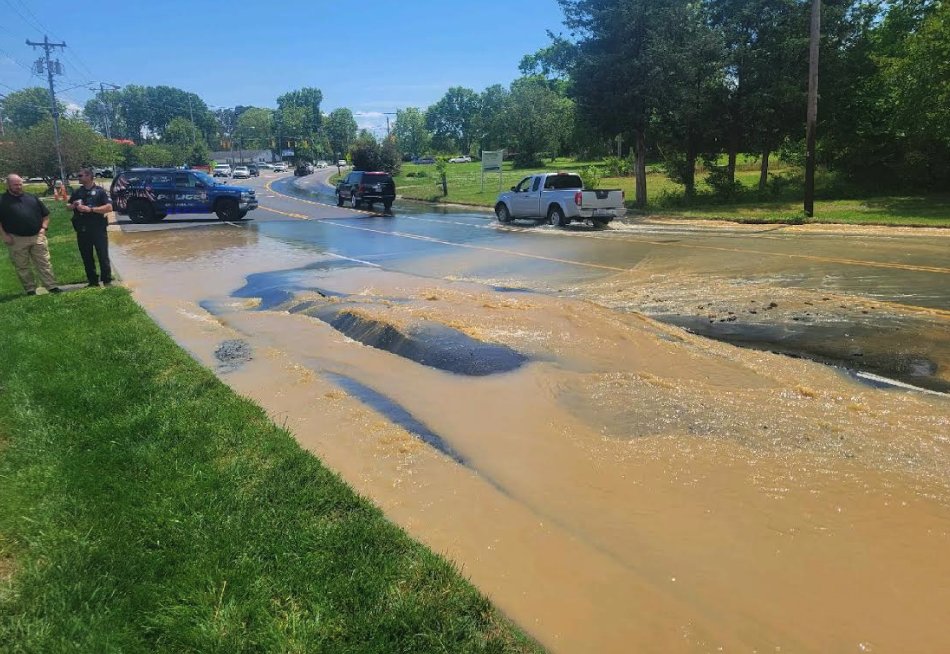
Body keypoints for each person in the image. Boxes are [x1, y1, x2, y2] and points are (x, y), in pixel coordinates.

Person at [0, 174, 62, 296]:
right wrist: (4, 235)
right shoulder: (2, 200)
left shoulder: (31, 197)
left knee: (44, 262)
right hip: (16, 238)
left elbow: (46, 215)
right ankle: (30, 289)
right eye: (15, 185)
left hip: (37, 236)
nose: (18, 187)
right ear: (8, 185)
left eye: (20, 184)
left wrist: (43, 229)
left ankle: (52, 286)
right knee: (22, 266)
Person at [68, 167, 113, 287]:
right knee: (86, 256)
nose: (78, 177)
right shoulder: (78, 192)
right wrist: (73, 205)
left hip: (98, 229)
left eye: (80, 175)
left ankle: (107, 280)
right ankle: (92, 281)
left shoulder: (100, 191)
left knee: (102, 255)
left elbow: (109, 207)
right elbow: (68, 205)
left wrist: (91, 209)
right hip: (82, 229)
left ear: (88, 176)